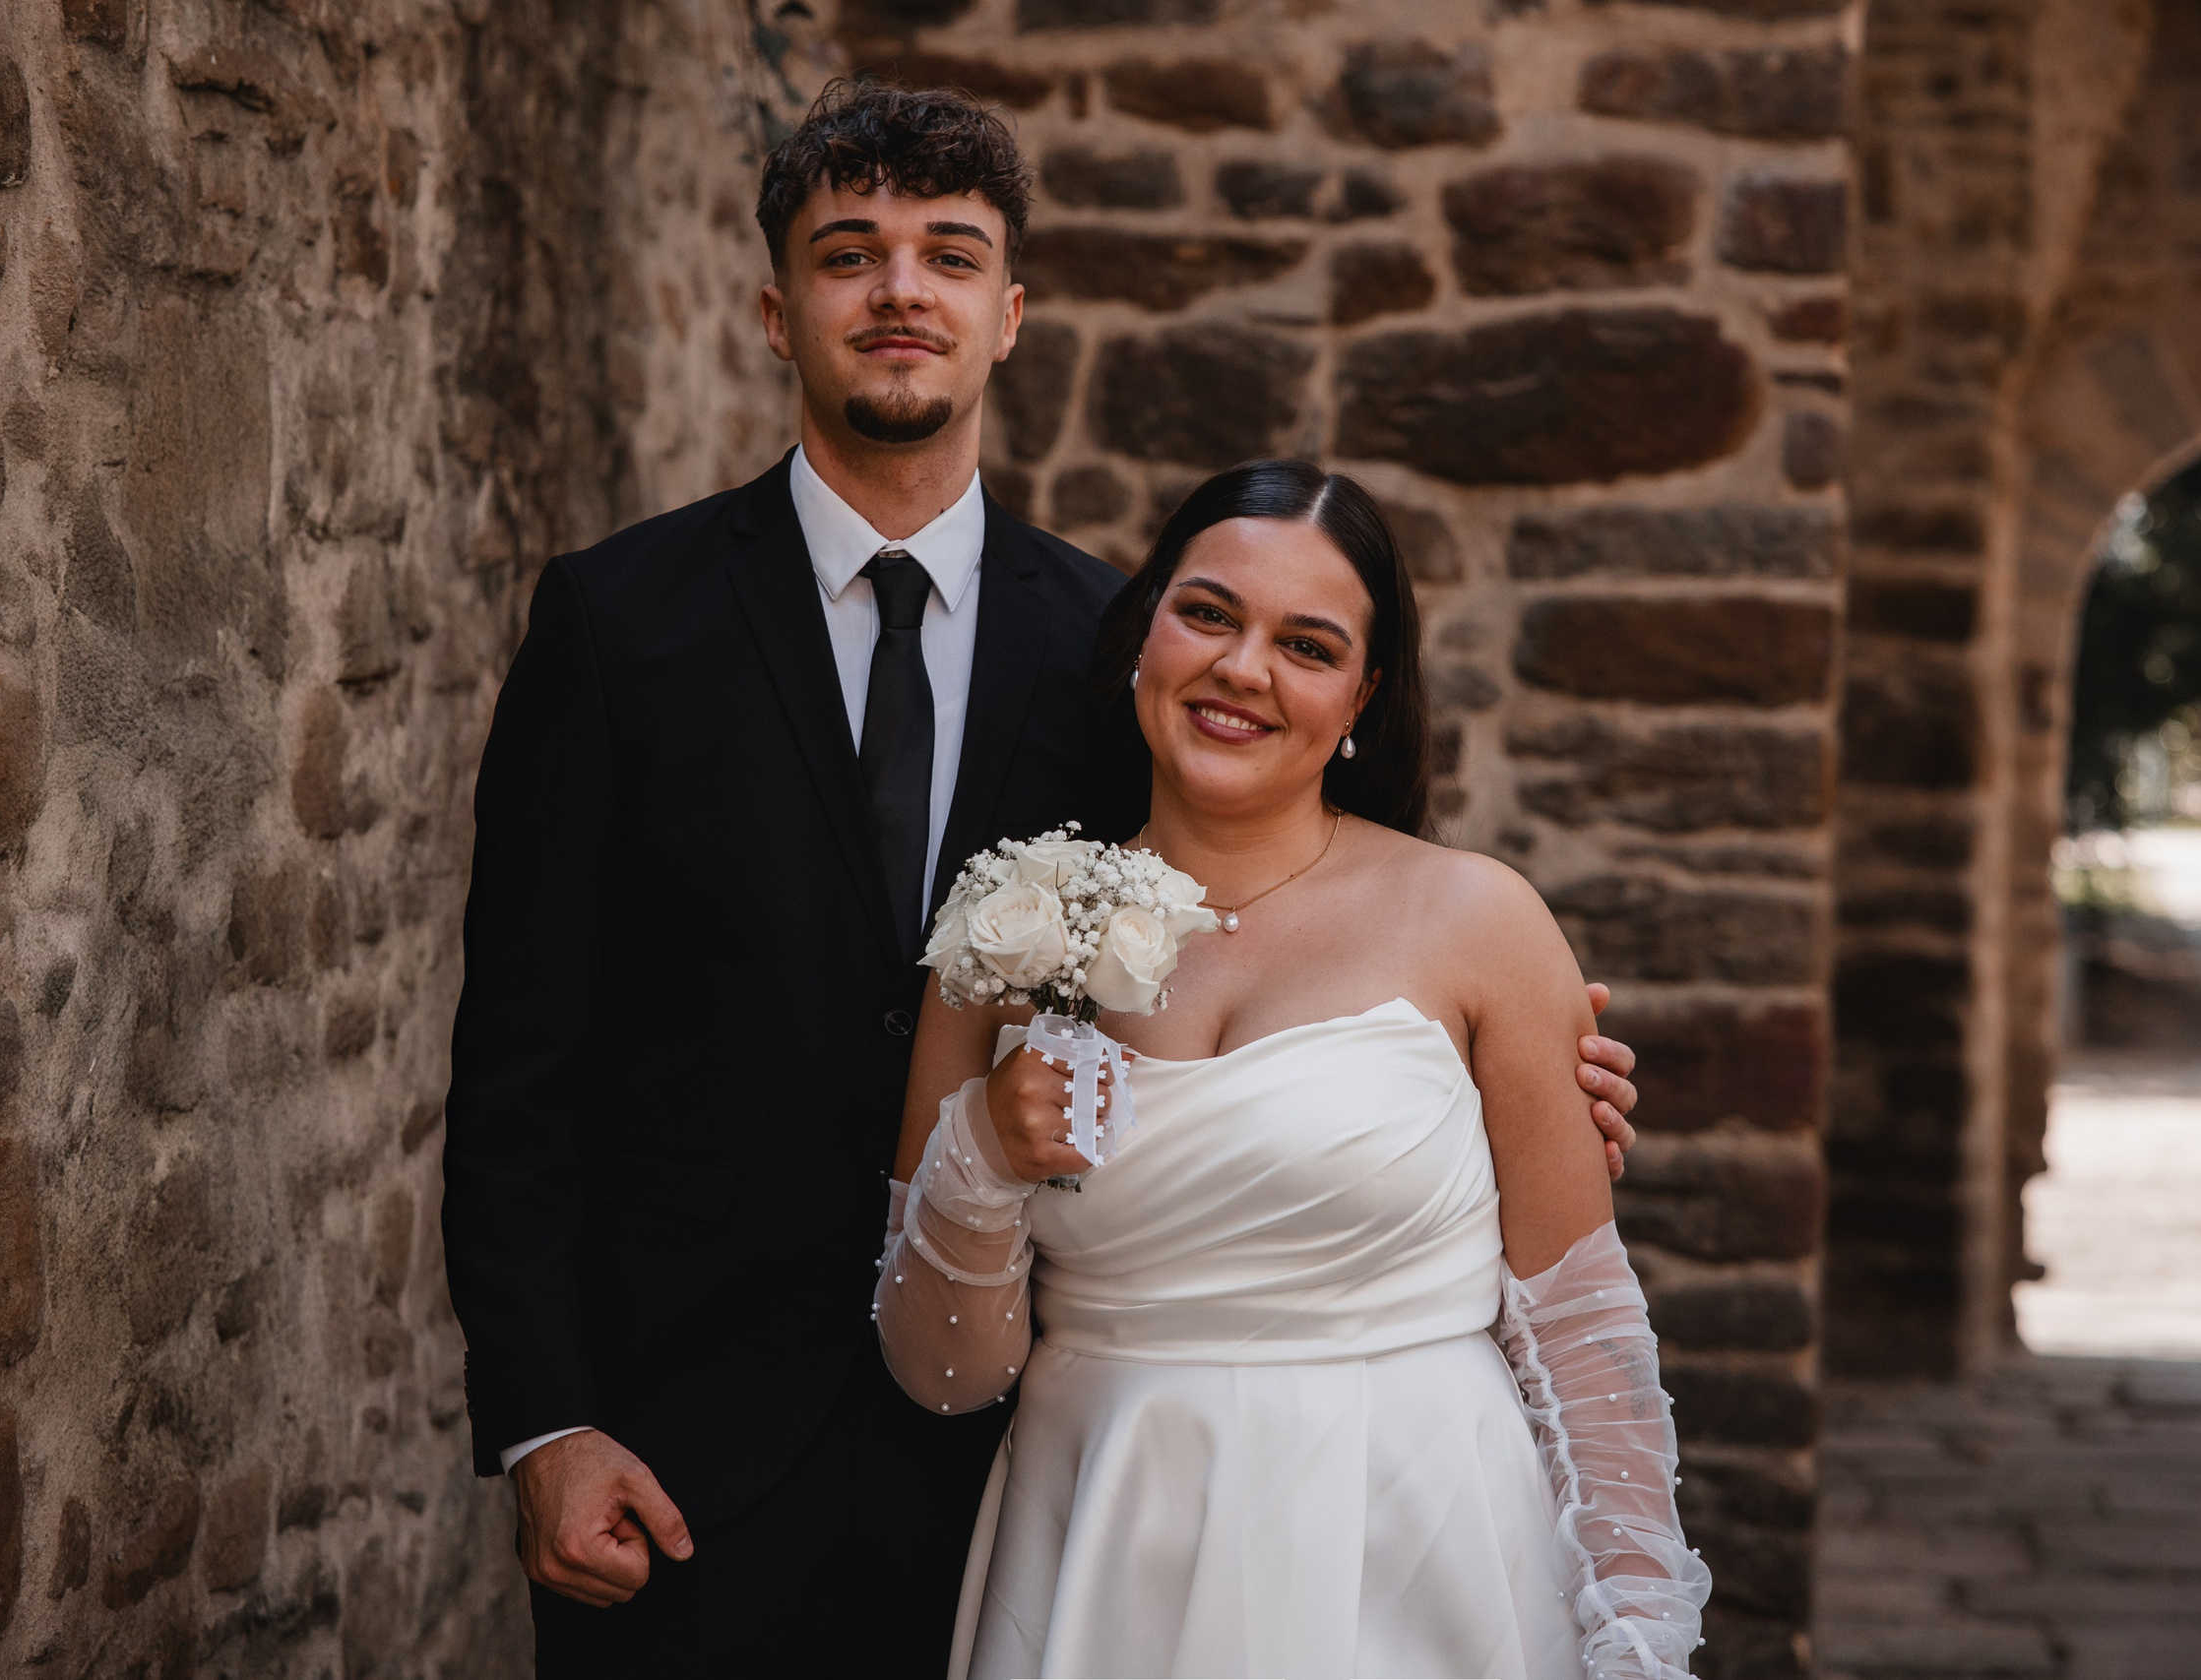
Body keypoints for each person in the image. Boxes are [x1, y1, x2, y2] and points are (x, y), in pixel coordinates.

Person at [440, 80, 1648, 1675]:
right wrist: (549, 1416)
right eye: (848, 252)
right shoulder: (615, 622)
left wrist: (1509, 1095)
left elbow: (1254, 924)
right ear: (773, 308)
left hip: (1020, 1461)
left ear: (1008, 316)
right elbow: (519, 1054)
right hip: (676, 1461)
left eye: (948, 254)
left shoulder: (1118, 650)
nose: (898, 291)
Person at [877, 460, 1713, 1679]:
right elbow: (942, 1376)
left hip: (1417, 1543)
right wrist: (985, 1161)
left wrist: (1637, 1636)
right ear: (1144, 631)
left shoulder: (1477, 921)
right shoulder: (1003, 936)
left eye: (1307, 645)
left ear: (1360, 695)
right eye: (1208, 613)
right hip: (1111, 1538)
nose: (1242, 669)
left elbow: (1582, 1331)